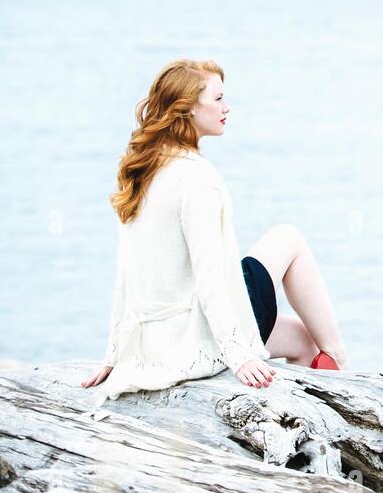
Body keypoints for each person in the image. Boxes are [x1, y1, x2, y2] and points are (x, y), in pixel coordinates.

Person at [81, 58, 349, 406]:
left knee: (302, 339)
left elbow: (125, 276)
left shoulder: (141, 171)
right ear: (187, 109)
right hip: (199, 336)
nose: (227, 108)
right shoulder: (197, 179)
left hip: (159, 341)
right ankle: (341, 360)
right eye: (218, 99)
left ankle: (305, 411)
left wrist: (114, 355)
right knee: (289, 237)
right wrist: (240, 357)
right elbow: (209, 280)